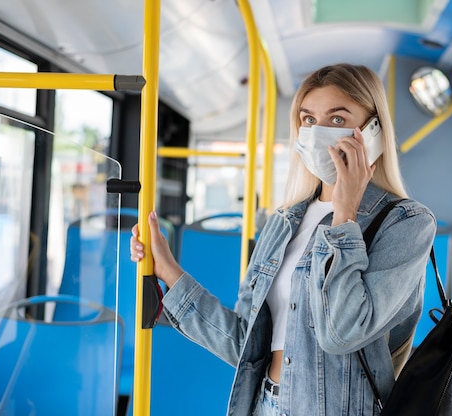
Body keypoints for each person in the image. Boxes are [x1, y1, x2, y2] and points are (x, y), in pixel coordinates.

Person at [131, 63, 436, 415]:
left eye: (337, 119)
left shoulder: (406, 223)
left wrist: (345, 217)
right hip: (265, 403)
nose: (318, 131)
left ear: (373, 131)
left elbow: (342, 333)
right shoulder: (284, 221)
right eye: (308, 120)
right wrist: (169, 270)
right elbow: (245, 346)